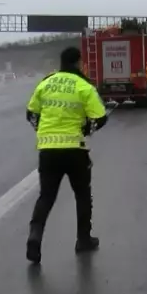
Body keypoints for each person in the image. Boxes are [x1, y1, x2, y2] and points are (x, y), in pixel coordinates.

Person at [25, 46, 109, 264]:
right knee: (82, 195)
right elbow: (100, 117)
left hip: (48, 150)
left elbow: (31, 113)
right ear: (79, 63)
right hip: (75, 150)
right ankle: (83, 239)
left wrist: (43, 132)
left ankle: (35, 235)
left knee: (46, 196)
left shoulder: (46, 83)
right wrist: (86, 131)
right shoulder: (84, 86)